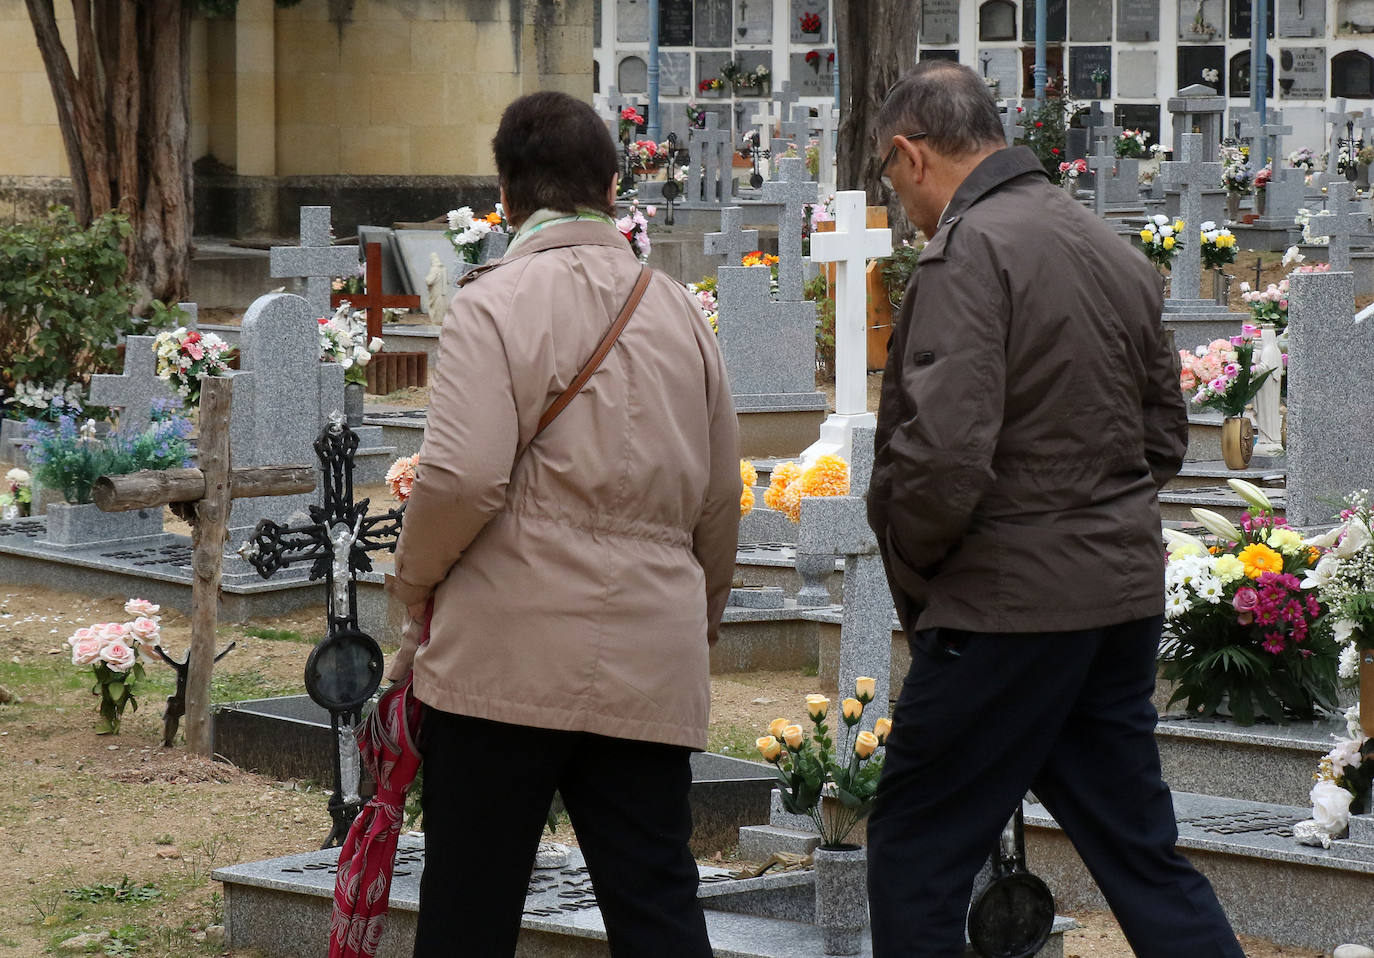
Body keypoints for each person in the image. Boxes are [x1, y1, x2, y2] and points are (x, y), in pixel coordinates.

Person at [865, 61, 1245, 958]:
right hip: (1114, 599)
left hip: (1004, 608)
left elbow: (942, 457)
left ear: (911, 154)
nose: (899, 203)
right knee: (1140, 855)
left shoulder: (970, 251)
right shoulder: (1107, 246)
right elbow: (1162, 438)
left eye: (890, 179)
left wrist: (920, 572)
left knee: (916, 853)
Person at [385, 90, 740, 958]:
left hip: (505, 647)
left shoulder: (494, 302)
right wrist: (693, 623)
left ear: (505, 194)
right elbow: (721, 500)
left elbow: (464, 476)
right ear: (613, 188)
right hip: (647, 647)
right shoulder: (681, 316)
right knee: (656, 901)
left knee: (470, 900)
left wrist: (413, 583)